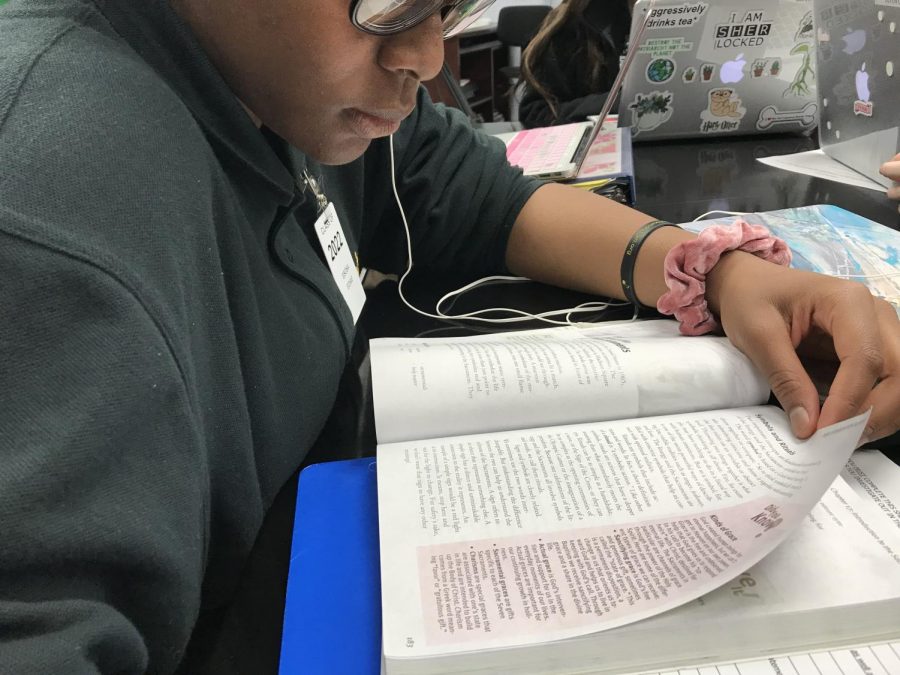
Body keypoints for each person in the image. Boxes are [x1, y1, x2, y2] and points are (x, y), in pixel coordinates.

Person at [1, 0, 898, 672]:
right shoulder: (57, 209)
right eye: (384, 2)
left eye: (448, 4)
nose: (427, 53)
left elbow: (466, 185)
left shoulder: (276, 82)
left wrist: (719, 272)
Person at [519, 0, 634, 128]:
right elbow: (536, 113)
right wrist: (613, 103)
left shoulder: (639, 20)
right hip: (583, 139)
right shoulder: (562, 32)